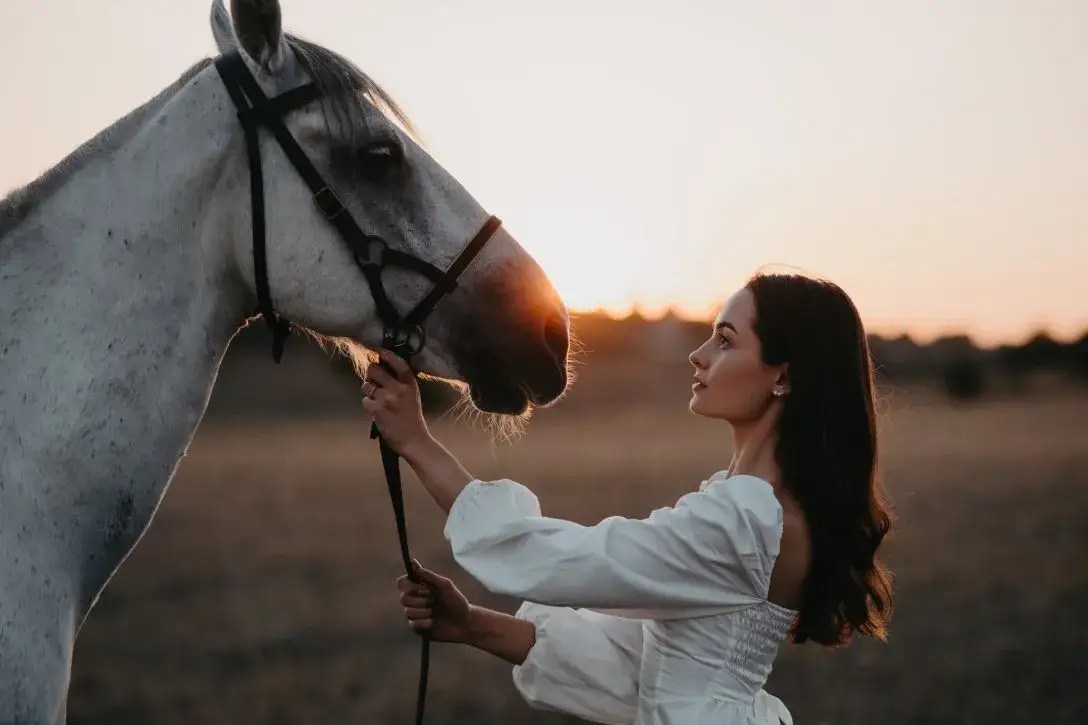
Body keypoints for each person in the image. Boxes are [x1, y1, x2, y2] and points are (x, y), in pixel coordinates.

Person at [362, 271, 895, 725]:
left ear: (783, 375)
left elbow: (561, 559)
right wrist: (473, 624)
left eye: (726, 341)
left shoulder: (747, 522)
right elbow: (637, 667)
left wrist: (418, 444)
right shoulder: (756, 510)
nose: (698, 354)